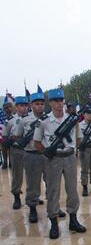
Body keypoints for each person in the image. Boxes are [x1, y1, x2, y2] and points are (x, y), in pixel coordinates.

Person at [33, 88, 86, 240]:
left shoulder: (72, 119)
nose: (58, 104)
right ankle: (54, 223)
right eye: (55, 101)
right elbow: (37, 143)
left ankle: (73, 219)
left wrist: (70, 149)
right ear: (50, 103)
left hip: (69, 158)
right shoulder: (43, 121)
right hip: (53, 159)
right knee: (53, 191)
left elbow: (78, 139)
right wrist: (49, 152)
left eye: (61, 100)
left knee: (72, 189)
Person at [14, 92, 47, 222]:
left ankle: (53, 206)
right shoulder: (24, 120)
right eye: (37, 104)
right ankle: (32, 208)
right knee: (33, 183)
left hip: (46, 154)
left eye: (42, 104)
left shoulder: (48, 118)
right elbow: (17, 136)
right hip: (32, 154)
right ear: (31, 105)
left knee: (51, 181)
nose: (40, 106)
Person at [3, 96, 29, 210]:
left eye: (25, 105)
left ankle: (33, 196)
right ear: (16, 107)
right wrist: (12, 139)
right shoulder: (10, 121)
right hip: (16, 150)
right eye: (21, 106)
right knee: (17, 175)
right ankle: (17, 197)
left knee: (33, 175)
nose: (24, 108)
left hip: (30, 151)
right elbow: (4, 138)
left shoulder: (32, 119)